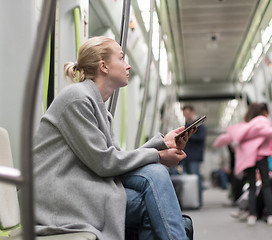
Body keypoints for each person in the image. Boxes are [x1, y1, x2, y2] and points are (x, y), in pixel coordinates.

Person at [33, 36, 194, 240]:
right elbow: (105, 163)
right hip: (58, 197)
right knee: (152, 192)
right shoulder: (76, 99)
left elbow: (115, 158)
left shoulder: (99, 107)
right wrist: (159, 155)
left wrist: (163, 144)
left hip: (82, 188)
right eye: (121, 58)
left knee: (154, 174)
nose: (128, 66)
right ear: (104, 66)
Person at [213, 102, 272, 226]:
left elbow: (228, 138)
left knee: (252, 186)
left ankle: (252, 215)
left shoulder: (246, 125)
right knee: (266, 185)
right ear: (264, 112)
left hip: (248, 158)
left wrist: (219, 143)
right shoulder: (261, 121)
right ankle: (271, 215)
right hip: (261, 157)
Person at [181, 105, 206, 207]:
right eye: (184, 114)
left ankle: (198, 201)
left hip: (195, 156)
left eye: (187, 114)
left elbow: (201, 138)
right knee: (187, 180)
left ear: (192, 112)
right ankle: (190, 200)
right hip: (185, 155)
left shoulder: (200, 125)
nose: (186, 116)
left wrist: (188, 136)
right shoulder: (186, 124)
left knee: (196, 178)